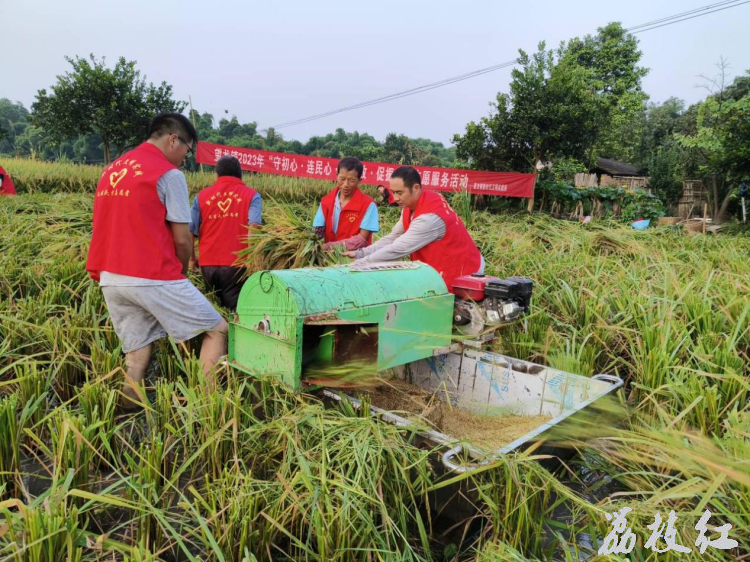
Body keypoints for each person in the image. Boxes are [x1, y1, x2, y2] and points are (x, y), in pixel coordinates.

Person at [86, 113, 228, 407]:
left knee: (137, 354)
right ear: (173, 139)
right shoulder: (168, 174)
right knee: (217, 329)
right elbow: (181, 238)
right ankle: (207, 408)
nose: (183, 160)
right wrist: (182, 275)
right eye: (186, 152)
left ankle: (125, 414)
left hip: (110, 276)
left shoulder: (113, 169)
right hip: (150, 273)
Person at [349, 165, 484, 291]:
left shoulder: (429, 219)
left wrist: (357, 265)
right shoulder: (411, 205)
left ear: (416, 188)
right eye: (393, 192)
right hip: (445, 266)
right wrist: (360, 253)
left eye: (400, 193)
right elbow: (394, 236)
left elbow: (397, 249)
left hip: (465, 273)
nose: (395, 198)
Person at [189, 155, 261, 310]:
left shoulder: (201, 197)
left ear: (217, 174)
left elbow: (190, 230)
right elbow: (254, 226)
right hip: (237, 265)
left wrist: (191, 259)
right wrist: (252, 261)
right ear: (240, 173)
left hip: (208, 265)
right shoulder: (252, 195)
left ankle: (215, 334)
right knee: (236, 313)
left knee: (214, 310)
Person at [313, 157, 379, 251]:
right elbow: (317, 231)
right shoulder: (326, 202)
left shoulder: (368, 205)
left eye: (351, 180)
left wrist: (329, 247)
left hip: (356, 260)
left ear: (360, 180)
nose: (345, 185)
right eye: (342, 179)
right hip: (329, 259)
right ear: (336, 175)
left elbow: (362, 240)